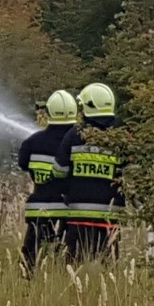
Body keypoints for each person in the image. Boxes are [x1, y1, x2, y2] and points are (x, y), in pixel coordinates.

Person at [53, 83, 125, 265]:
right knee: (107, 270)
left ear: (88, 107)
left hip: (78, 217)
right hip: (110, 219)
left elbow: (58, 171)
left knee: (73, 268)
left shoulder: (75, 134)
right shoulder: (122, 136)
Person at [17, 89, 78, 274]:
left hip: (39, 211)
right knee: (67, 260)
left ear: (49, 112)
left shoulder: (32, 142)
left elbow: (23, 163)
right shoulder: (79, 141)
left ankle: (27, 285)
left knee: (30, 259)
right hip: (69, 211)